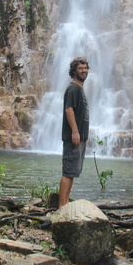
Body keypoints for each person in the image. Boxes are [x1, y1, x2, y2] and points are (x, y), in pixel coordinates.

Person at [59, 57, 90, 208]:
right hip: (73, 137)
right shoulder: (73, 88)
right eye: (80, 68)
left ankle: (65, 203)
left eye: (85, 68)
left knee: (72, 172)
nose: (84, 71)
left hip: (80, 137)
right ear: (73, 71)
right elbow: (68, 109)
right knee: (68, 171)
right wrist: (75, 132)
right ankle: (62, 206)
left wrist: (85, 136)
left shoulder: (80, 89)